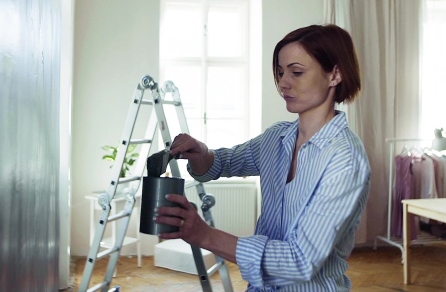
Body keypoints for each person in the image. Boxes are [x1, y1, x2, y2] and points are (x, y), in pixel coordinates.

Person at [155, 24, 371, 291]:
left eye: (297, 72)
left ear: (335, 74)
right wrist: (201, 152)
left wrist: (206, 236)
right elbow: (221, 163)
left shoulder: (345, 161)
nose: (283, 83)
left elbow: (300, 261)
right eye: (281, 72)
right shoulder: (276, 138)